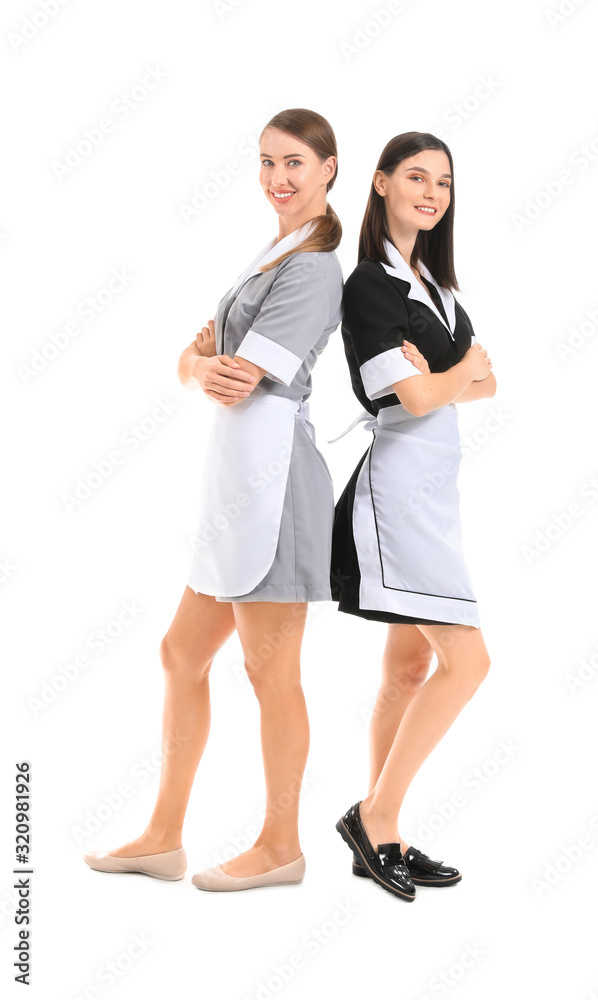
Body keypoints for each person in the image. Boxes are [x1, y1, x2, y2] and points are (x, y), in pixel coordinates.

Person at [83, 108, 343, 892]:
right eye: (266, 162)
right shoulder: (275, 253)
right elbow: (196, 367)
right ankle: (163, 837)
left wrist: (202, 365)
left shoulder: (314, 266)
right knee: (181, 653)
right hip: (234, 487)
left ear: (329, 167)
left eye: (294, 162)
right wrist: (198, 366)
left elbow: (229, 379)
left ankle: (280, 845)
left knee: (272, 674)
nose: (278, 178)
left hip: (277, 489)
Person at [330, 131, 494, 902]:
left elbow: (486, 383)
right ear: (380, 184)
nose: (431, 193)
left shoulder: (435, 285)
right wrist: (455, 373)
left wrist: (450, 373)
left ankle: (382, 835)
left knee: (409, 665)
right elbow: (419, 396)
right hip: (394, 496)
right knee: (468, 662)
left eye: (444, 182)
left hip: (437, 494)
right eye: (416, 177)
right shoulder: (370, 285)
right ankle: (375, 815)